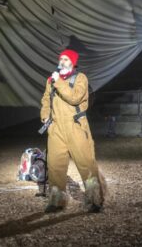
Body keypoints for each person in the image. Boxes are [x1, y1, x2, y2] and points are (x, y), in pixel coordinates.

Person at [40, 49, 104, 213]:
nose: (62, 62)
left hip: (75, 126)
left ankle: (94, 200)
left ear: (73, 62)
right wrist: (45, 116)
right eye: (61, 59)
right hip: (56, 129)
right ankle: (56, 200)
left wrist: (58, 82)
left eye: (66, 60)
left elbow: (74, 97)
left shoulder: (80, 78)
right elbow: (46, 99)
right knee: (55, 166)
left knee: (85, 163)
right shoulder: (51, 80)